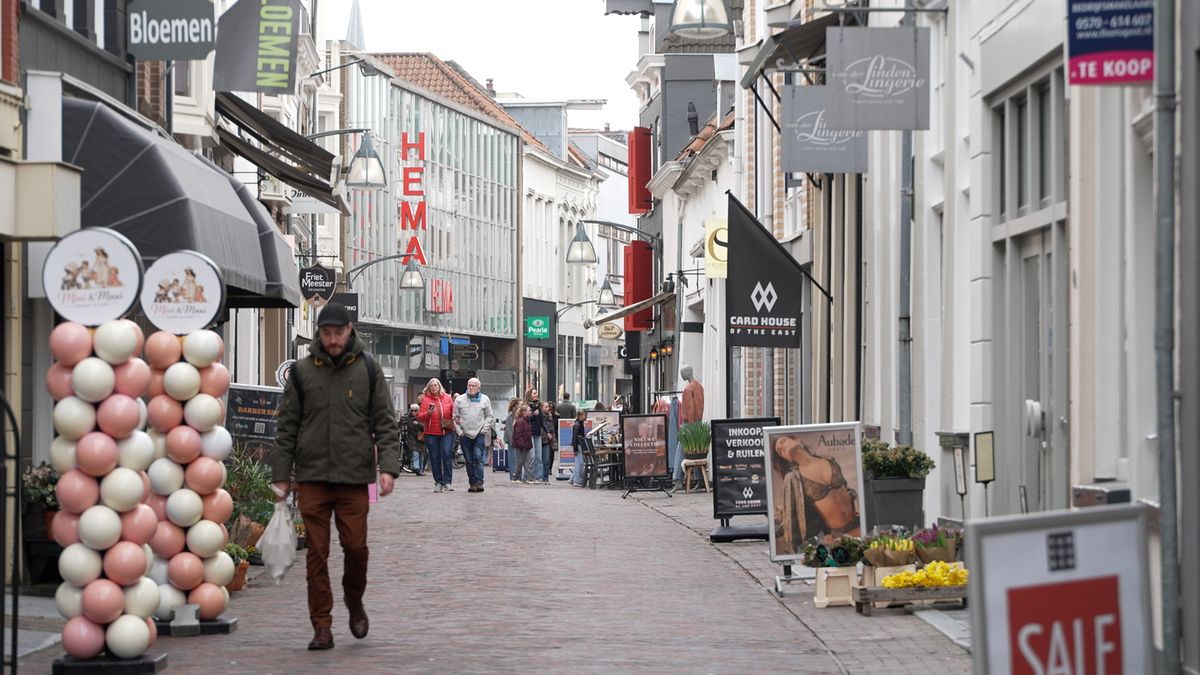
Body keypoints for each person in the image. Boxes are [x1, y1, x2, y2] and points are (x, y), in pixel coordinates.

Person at [271, 302, 400, 651]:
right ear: (318, 333)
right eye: (326, 333)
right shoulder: (301, 372)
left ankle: (354, 600)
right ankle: (322, 625)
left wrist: (387, 468)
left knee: (356, 549)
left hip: (353, 477)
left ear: (349, 331)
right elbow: (286, 428)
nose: (332, 340)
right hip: (312, 476)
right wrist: (281, 476)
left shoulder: (368, 369)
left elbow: (385, 423)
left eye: (338, 333)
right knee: (316, 554)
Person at [772, 436, 861, 557]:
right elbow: (789, 516)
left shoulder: (829, 460)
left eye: (783, 442)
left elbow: (847, 490)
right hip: (836, 537)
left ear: (797, 440)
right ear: (786, 458)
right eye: (779, 450)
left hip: (858, 526)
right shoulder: (794, 479)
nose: (781, 446)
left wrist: (857, 503)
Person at [453, 377, 494, 493]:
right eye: (469, 385)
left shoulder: (485, 399)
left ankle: (479, 481)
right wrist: (460, 432)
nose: (470, 387)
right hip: (465, 434)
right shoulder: (460, 400)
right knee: (469, 460)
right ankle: (472, 482)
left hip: (479, 433)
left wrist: (484, 430)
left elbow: (489, 416)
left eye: (473, 385)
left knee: (477, 456)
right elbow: (455, 417)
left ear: (478, 387)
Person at [417, 378, 456, 492]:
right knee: (434, 458)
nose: (434, 387)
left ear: (439, 386)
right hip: (431, 433)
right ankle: (438, 482)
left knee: (447, 455)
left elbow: (454, 411)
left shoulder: (448, 398)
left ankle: (448, 482)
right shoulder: (425, 400)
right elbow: (420, 416)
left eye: (435, 385)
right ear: (429, 388)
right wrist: (428, 413)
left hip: (446, 431)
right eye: (431, 386)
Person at [398, 404, 426, 475]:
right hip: (412, 438)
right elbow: (401, 422)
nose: (414, 412)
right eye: (412, 410)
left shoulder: (421, 417)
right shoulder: (408, 418)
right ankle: (416, 468)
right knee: (415, 453)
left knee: (421, 454)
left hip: (420, 438)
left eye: (415, 410)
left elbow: (424, 428)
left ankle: (420, 469)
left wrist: (418, 424)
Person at [511, 404, 535, 484]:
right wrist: (522, 445)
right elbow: (518, 435)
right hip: (522, 445)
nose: (530, 412)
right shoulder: (521, 421)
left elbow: (527, 434)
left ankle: (529, 478)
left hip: (526, 445)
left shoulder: (527, 421)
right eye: (529, 411)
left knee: (527, 461)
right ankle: (515, 477)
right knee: (520, 461)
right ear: (524, 412)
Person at [525, 388, 545, 482]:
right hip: (529, 433)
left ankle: (539, 477)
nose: (536, 394)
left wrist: (547, 431)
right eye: (534, 393)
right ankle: (529, 477)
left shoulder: (539, 406)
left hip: (537, 433)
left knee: (539, 457)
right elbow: (524, 419)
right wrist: (533, 415)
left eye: (536, 392)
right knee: (531, 456)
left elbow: (542, 420)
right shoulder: (526, 406)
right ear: (530, 395)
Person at [569, 409, 589, 487]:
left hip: (579, 445)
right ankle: (577, 480)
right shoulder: (577, 424)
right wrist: (575, 449)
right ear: (581, 415)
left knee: (579, 462)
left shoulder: (579, 423)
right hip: (578, 445)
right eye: (585, 415)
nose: (586, 417)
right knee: (579, 463)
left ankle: (572, 479)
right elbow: (574, 437)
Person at [540, 401, 558, 484]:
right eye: (546, 407)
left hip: (547, 441)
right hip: (540, 439)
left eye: (548, 407)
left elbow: (552, 430)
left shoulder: (550, 416)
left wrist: (554, 443)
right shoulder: (540, 417)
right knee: (539, 460)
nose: (548, 408)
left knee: (547, 460)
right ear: (542, 408)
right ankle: (540, 477)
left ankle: (545, 478)